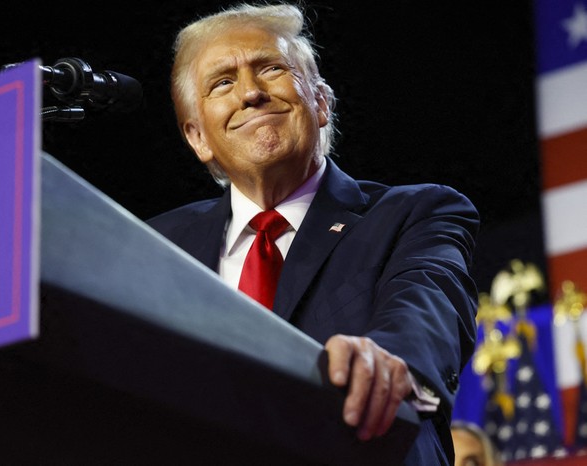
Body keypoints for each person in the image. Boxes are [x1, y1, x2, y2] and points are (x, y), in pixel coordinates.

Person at [147, 2, 480, 464]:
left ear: (320, 103)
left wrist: (389, 360)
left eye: (271, 69)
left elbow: (429, 303)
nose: (250, 93)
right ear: (197, 137)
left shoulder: (413, 212)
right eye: (223, 82)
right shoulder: (158, 244)